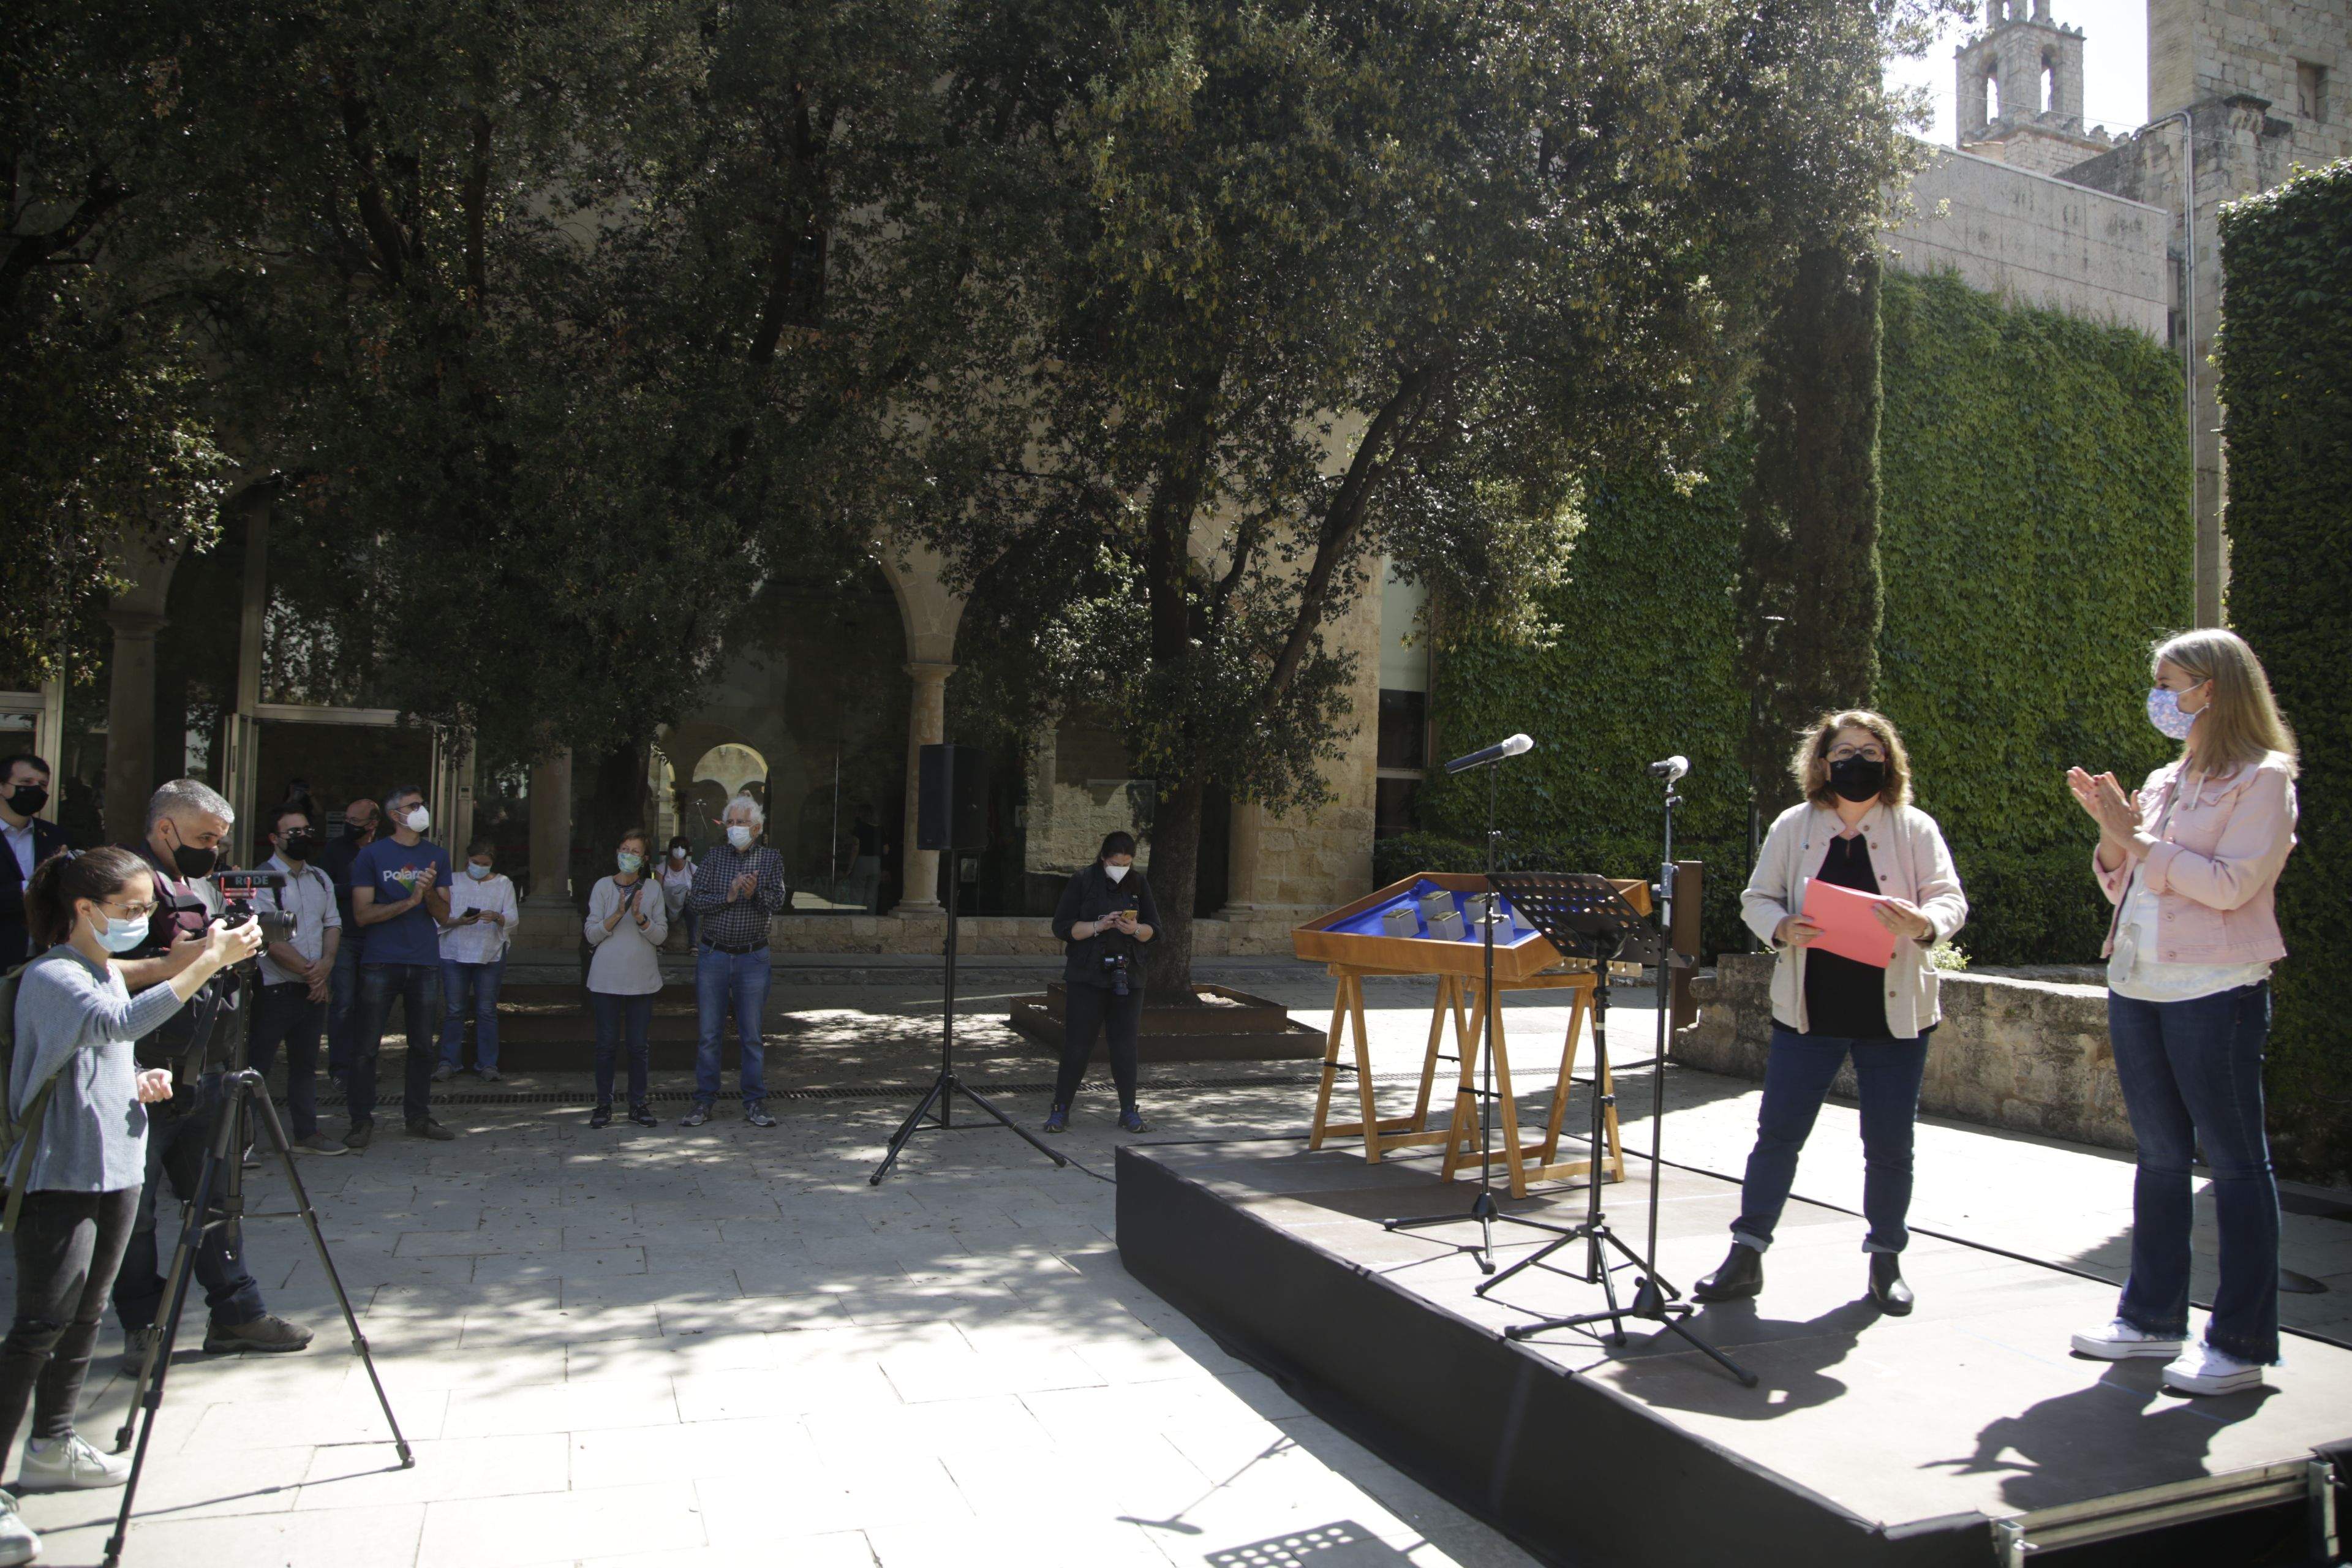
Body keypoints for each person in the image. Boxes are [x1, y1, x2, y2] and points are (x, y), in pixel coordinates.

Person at [1, 848, 259, 1556]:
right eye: (133, 911)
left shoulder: (101, 969)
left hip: (115, 1163)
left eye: (148, 908)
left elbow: (101, 1050)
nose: (143, 922)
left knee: (88, 1313)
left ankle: (53, 1442)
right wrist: (207, 959)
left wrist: (136, 1077)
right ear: (84, 909)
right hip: (59, 1173)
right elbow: (114, 1024)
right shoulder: (56, 973)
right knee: (38, 1325)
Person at [2065, 629, 2300, 1396]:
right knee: (2160, 1155)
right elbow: (2127, 883)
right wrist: (2112, 829)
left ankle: (2240, 1341)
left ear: (2216, 688)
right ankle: (2150, 1319)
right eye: (2159, 683)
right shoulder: (2166, 777)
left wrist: (2138, 841)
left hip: (2216, 990)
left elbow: (2231, 886)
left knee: (2235, 1161)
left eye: (2174, 684)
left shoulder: (2264, 780)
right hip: (2138, 982)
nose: (2163, 699)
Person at [1693, 712, 1967, 1316]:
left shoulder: (1914, 827)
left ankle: (1886, 1260)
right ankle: (1746, 1253)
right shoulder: (1795, 826)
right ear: (1822, 763)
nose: (1857, 760)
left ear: (1889, 761)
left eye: (1870, 750)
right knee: (1778, 1136)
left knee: (1890, 1144)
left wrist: (1925, 922)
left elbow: (1950, 898)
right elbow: (1756, 898)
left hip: (1894, 1018)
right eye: (1845, 751)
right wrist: (1780, 925)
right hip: (1809, 1012)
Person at [110, 778, 313, 1365]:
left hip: (212, 1064)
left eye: (221, 841)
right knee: (138, 1212)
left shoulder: (205, 881)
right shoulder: (121, 883)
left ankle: (237, 1317)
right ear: (165, 828)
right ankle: (142, 1328)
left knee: (219, 1202)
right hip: (145, 1073)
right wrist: (194, 955)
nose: (214, 852)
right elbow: (97, 972)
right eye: (204, 838)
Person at [347, 785, 457, 1146]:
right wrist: (410, 901)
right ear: (396, 816)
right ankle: (361, 1120)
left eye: (423, 804)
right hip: (380, 962)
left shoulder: (437, 856)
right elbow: (362, 915)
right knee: (366, 1047)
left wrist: (426, 894)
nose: (422, 810)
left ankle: (419, 1116)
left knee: (423, 1046)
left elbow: (444, 914)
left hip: (424, 962)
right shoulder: (372, 856)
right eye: (414, 806)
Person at [1044, 831, 1161, 1135]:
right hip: (1087, 975)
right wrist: (1099, 926)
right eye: (1113, 863)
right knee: (1077, 1045)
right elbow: (1062, 927)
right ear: (1102, 858)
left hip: (1129, 974)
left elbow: (1155, 931)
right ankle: (1060, 1110)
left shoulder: (1139, 883)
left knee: (1125, 1046)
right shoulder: (1083, 880)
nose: (1120, 868)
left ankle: (1129, 1111)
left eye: (1126, 863)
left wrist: (1134, 929)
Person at [247, 805, 345, 1155]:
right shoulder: (262, 879)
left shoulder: (320, 877)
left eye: (306, 830)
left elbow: (332, 924)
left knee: (305, 1065)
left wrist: (326, 966)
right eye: (294, 833)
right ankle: (240, 1144)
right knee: (256, 1066)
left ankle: (308, 1133)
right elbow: (268, 938)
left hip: (313, 987)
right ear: (275, 839)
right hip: (276, 989)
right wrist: (312, 972)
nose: (302, 837)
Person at [685, 794, 786, 1128]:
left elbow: (778, 901)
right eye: (730, 822)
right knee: (709, 1035)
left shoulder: (770, 859)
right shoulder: (713, 858)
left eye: (742, 823)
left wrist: (754, 892)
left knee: (752, 1035)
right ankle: (703, 1102)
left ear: (756, 828)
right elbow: (695, 902)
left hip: (753, 958)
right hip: (713, 955)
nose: (735, 828)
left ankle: (755, 1102)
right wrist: (728, 897)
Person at [584, 830, 668, 1129]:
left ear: (644, 859)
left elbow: (661, 935)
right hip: (606, 979)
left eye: (635, 851)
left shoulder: (654, 891)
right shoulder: (602, 887)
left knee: (637, 1046)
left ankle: (638, 1104)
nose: (628, 856)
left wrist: (641, 918)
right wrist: (617, 915)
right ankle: (603, 1105)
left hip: (641, 980)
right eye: (624, 849)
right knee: (606, 1045)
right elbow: (591, 933)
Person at [435, 837, 516, 1083]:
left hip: (489, 953)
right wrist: (460, 920)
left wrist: (498, 918)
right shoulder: (452, 881)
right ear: (467, 860)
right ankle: (448, 1061)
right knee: (454, 1010)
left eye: (484, 863)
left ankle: (488, 1063)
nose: (479, 867)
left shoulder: (503, 883)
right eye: (475, 862)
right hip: (454, 951)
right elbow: (440, 916)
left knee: (486, 1010)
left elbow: (512, 916)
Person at [317, 797, 379, 1084]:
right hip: (344, 935)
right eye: (348, 820)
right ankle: (340, 1069)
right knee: (343, 1002)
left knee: (372, 1004)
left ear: (372, 824)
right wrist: (360, 888)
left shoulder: (383, 850)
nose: (349, 826)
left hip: (377, 936)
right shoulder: (335, 849)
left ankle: (365, 1067)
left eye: (355, 821)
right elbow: (325, 888)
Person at [1, 756, 69, 965]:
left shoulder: (54, 836)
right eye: (26, 783)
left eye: (42, 785)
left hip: (41, 960)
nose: (35, 790)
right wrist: (30, 888)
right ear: (2, 787)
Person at [658, 836, 697, 954]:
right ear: (670, 849)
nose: (679, 850)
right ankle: (660, 943)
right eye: (676, 847)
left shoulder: (692, 868)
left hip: (686, 903)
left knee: (692, 909)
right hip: (667, 902)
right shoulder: (662, 869)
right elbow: (658, 891)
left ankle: (693, 945)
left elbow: (697, 891)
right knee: (660, 910)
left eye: (683, 847)